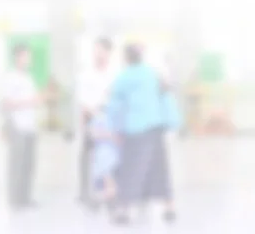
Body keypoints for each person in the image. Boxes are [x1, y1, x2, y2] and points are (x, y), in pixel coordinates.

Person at [107, 44, 181, 225]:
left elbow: (115, 106)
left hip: (135, 130)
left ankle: (124, 211)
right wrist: (172, 121)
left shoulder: (124, 77)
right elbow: (165, 95)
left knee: (131, 169)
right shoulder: (153, 73)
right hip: (156, 127)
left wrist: (115, 129)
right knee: (159, 169)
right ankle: (169, 207)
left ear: (126, 58)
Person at [1, 44, 42, 209]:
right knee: (16, 164)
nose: (28, 59)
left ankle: (25, 198)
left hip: (31, 127)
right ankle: (14, 200)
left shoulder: (28, 77)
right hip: (18, 127)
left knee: (28, 165)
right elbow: (7, 103)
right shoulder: (10, 78)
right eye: (26, 56)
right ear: (18, 57)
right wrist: (30, 101)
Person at [74, 37, 114, 205]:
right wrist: (89, 118)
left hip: (109, 121)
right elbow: (83, 102)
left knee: (108, 158)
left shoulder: (114, 74)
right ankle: (85, 194)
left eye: (101, 50)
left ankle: (109, 192)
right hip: (91, 120)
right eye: (95, 50)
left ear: (108, 52)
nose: (97, 54)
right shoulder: (86, 74)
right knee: (88, 157)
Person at [88, 104, 119, 204]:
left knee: (106, 163)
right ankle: (109, 190)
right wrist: (110, 135)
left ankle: (110, 190)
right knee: (104, 161)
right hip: (104, 150)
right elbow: (94, 134)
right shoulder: (99, 119)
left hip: (113, 151)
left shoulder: (118, 118)